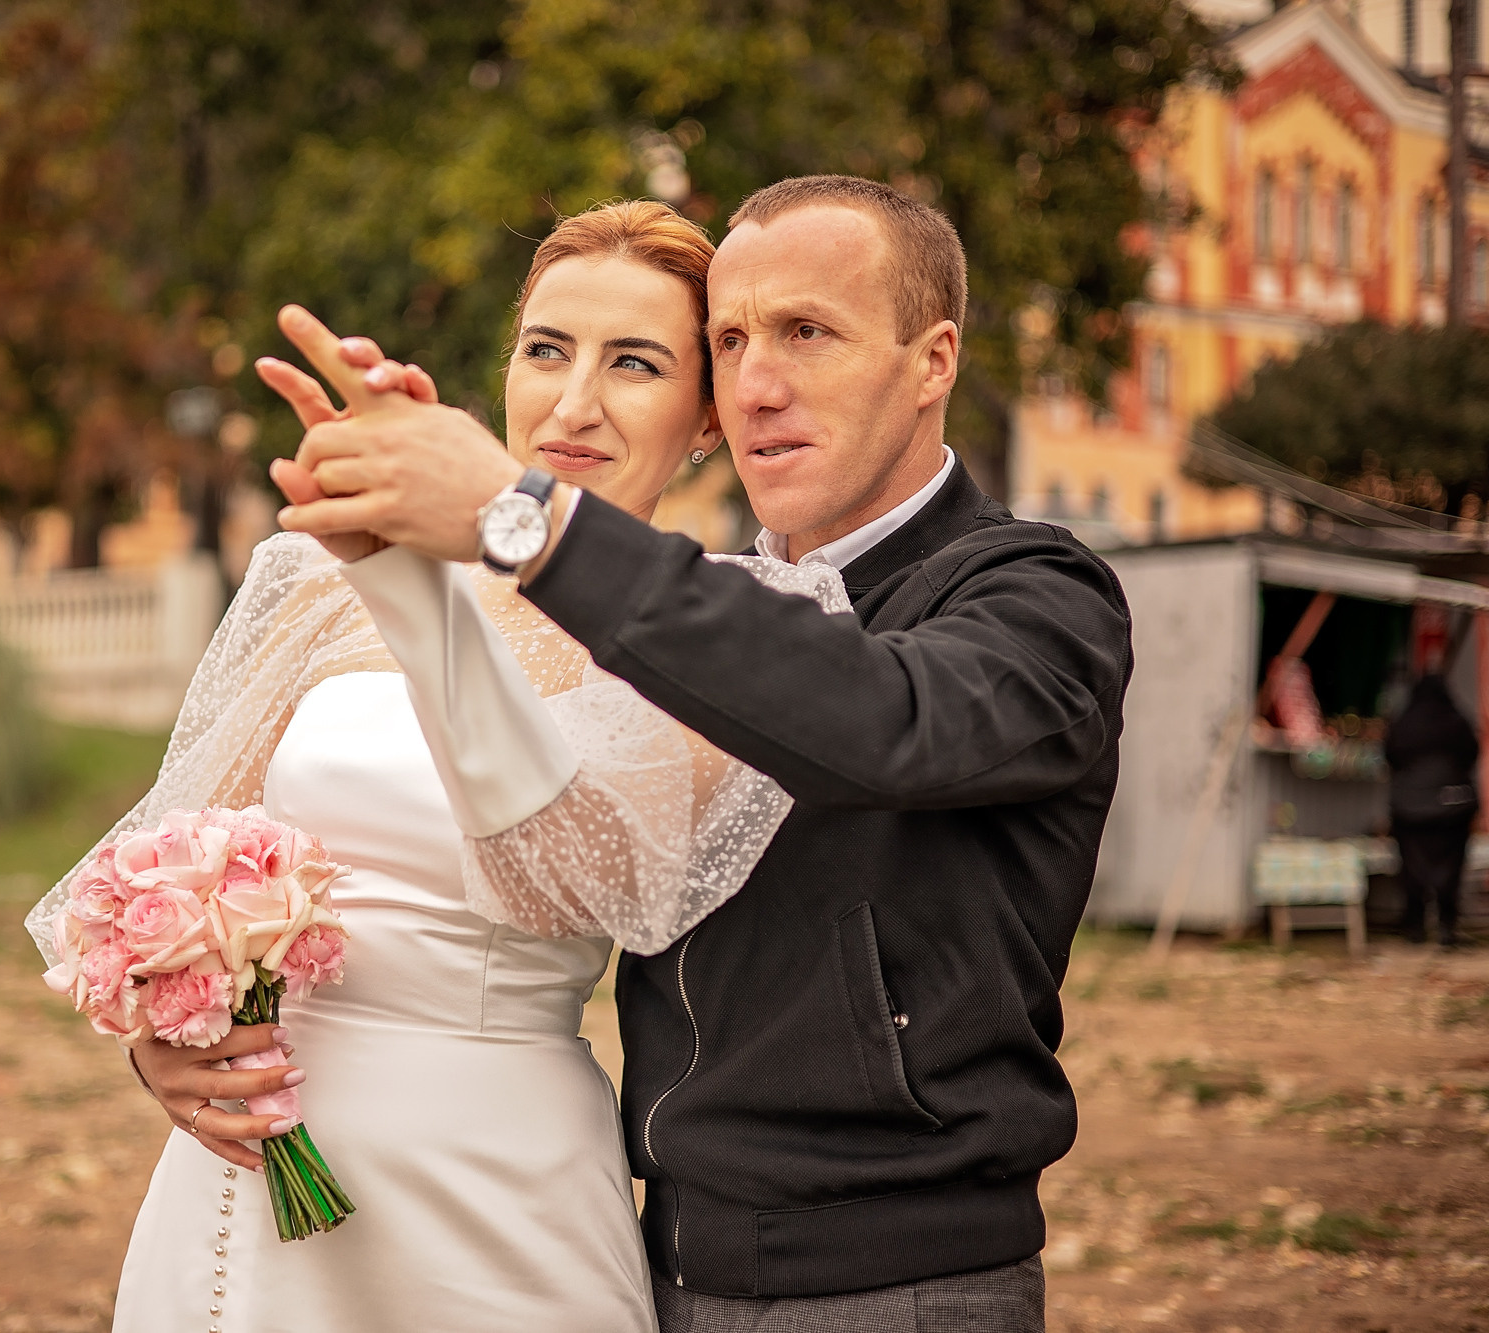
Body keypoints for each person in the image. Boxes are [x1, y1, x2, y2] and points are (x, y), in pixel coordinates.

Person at [266, 175, 1134, 1331]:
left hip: (895, 1280)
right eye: (728, 339)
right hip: (654, 1258)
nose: (759, 382)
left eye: (806, 333)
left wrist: (520, 514)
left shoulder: (1035, 594)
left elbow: (878, 721)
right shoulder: (689, 607)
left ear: (931, 362)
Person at [26, 200, 853, 1333]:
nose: (572, 404)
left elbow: (565, 874)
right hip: (260, 1167)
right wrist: (166, 1044)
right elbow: (155, 850)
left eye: (634, 364)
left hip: (494, 1188)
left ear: (705, 418)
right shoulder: (314, 581)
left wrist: (420, 589)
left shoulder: (733, 626)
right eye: (545, 350)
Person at [1385, 673, 1479, 948]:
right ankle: (1446, 928)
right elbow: (1471, 754)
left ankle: (1414, 926)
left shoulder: (1404, 723)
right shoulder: (1456, 721)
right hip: (1453, 806)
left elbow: (1390, 756)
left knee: (1412, 867)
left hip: (1409, 807)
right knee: (1451, 867)